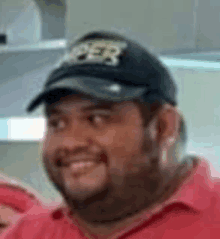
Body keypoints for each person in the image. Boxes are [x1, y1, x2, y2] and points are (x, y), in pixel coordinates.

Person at [3, 31, 220, 239]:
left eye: (96, 119)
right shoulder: (29, 232)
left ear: (163, 127)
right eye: (57, 123)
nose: (70, 142)